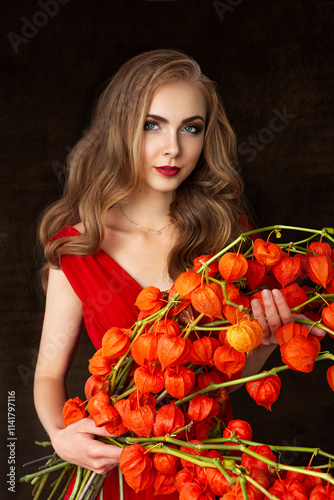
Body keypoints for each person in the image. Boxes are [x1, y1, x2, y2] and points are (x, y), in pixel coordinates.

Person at [34, 49, 323, 499]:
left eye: (191, 128)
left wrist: (264, 342)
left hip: (217, 472)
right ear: (121, 128)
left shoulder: (227, 237)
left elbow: (220, 380)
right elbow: (48, 375)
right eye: (153, 125)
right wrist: (60, 436)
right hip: (128, 472)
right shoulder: (80, 246)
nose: (174, 147)